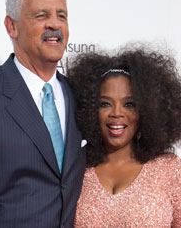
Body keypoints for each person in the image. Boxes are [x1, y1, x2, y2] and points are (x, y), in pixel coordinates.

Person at [0, 0, 86, 227]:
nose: (54, 24)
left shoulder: (80, 96)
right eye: (41, 15)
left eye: (62, 15)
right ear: (11, 27)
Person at [67, 48, 181, 227]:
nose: (117, 113)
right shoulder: (77, 169)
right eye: (105, 104)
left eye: (129, 104)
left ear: (148, 110)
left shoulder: (168, 168)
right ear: (88, 111)